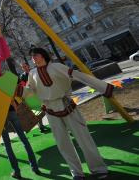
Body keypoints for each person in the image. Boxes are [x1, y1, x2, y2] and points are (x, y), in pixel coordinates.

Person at [19, 48, 112, 180]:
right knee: (63, 143)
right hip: (50, 110)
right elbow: (29, 91)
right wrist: (15, 89)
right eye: (32, 56)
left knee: (84, 138)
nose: (33, 58)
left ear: (44, 55)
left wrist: (103, 87)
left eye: (36, 55)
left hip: (67, 105)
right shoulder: (32, 73)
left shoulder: (57, 66)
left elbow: (79, 76)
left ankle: (99, 169)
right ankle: (76, 173)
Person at [18, 62, 49, 133]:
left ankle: (45, 124)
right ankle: (41, 126)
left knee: (46, 108)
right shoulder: (22, 76)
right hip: (31, 96)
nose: (24, 68)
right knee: (38, 111)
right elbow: (23, 87)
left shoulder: (35, 71)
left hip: (40, 93)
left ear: (28, 66)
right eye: (23, 67)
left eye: (25, 66)